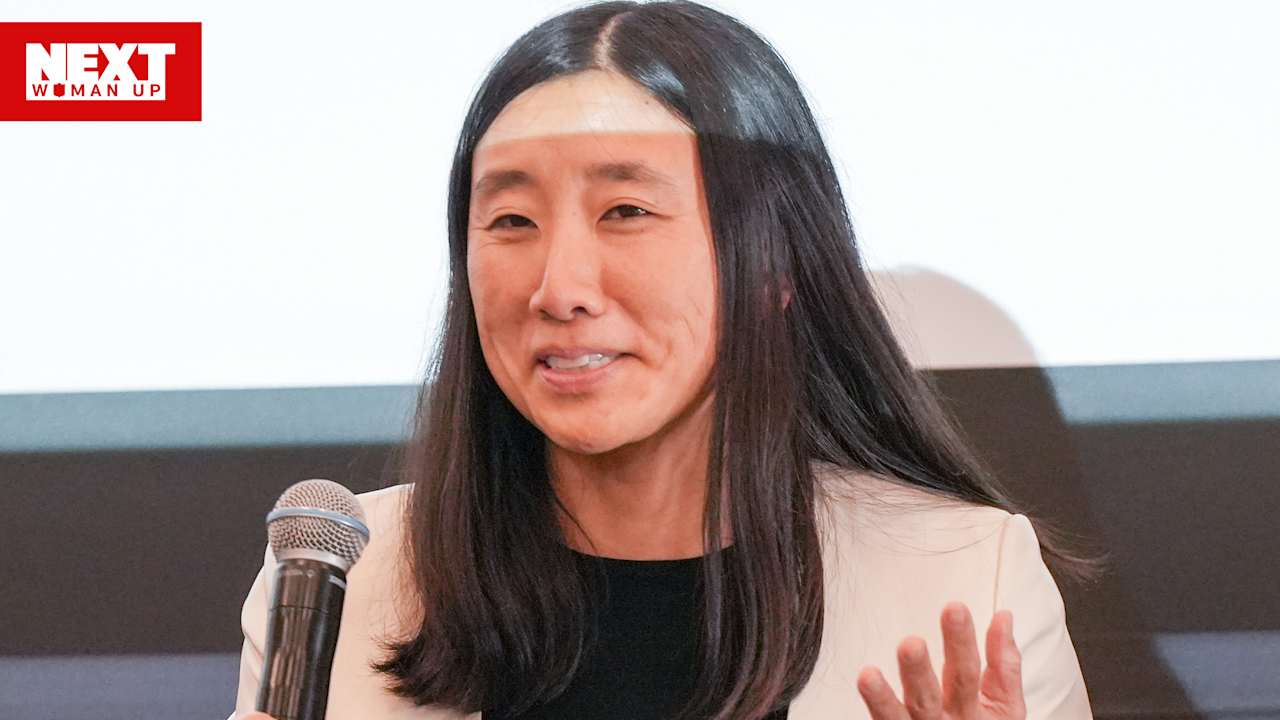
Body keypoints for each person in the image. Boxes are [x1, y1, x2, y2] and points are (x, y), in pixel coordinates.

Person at [232, 1, 1102, 718]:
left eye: (626, 212)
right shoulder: (342, 583)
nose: (559, 288)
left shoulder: (965, 579)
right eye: (511, 221)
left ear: (775, 263)